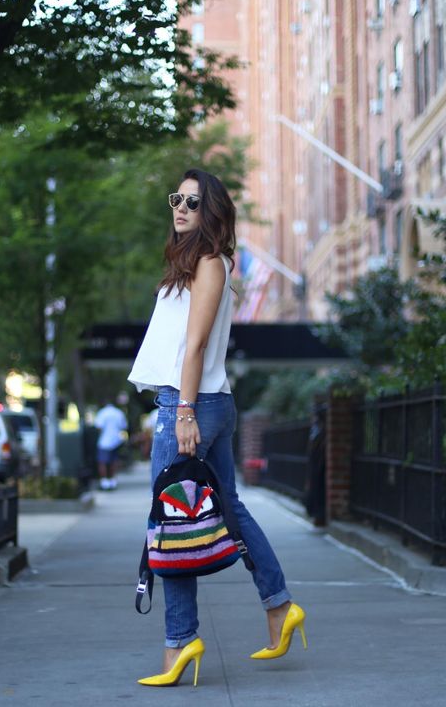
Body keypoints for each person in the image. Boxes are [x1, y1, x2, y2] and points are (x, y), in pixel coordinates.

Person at [127, 168, 307, 687]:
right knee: (227, 506)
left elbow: (195, 347)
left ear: (213, 212)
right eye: (177, 199)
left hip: (192, 405)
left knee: (171, 521)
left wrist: (182, 412)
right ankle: (279, 607)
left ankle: (180, 642)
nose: (180, 208)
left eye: (193, 201)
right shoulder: (195, 263)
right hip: (210, 402)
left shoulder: (208, 263)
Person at [94, 398, 128, 490]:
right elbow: (123, 426)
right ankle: (112, 481)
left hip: (104, 441)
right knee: (114, 461)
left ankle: (104, 482)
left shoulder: (102, 413)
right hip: (116, 440)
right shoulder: (118, 413)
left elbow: (98, 427)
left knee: (102, 462)